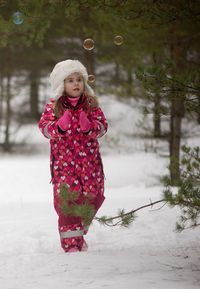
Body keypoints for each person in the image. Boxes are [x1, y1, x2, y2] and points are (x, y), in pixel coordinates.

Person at [38, 59, 108, 253]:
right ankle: (71, 244)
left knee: (93, 196)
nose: (76, 83)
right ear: (62, 84)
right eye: (70, 80)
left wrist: (91, 127)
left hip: (89, 164)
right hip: (64, 165)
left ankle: (79, 230)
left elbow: (103, 127)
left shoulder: (91, 105)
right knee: (67, 201)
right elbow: (44, 129)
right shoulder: (54, 106)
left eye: (79, 79)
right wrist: (58, 126)